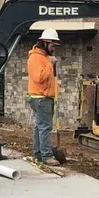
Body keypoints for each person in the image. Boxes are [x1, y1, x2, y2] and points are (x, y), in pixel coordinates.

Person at [26, 28, 60, 166]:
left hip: (43, 97)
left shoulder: (44, 57)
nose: (54, 47)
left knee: (39, 126)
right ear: (45, 42)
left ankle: (38, 153)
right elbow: (39, 78)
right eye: (53, 44)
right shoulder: (35, 58)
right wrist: (49, 64)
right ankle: (46, 156)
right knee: (45, 127)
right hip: (40, 98)